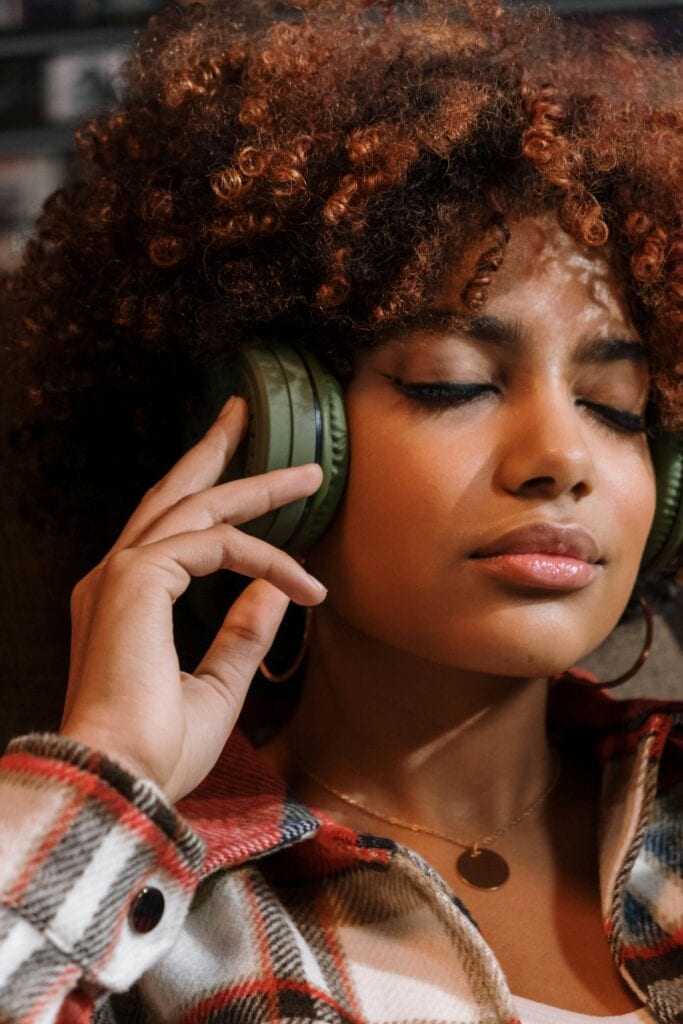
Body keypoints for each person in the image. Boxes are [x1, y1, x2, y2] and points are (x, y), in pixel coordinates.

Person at [1, 1, 681, 1022]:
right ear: (277, 429)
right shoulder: (154, 922)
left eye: (612, 406)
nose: (559, 460)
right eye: (451, 383)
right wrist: (110, 774)